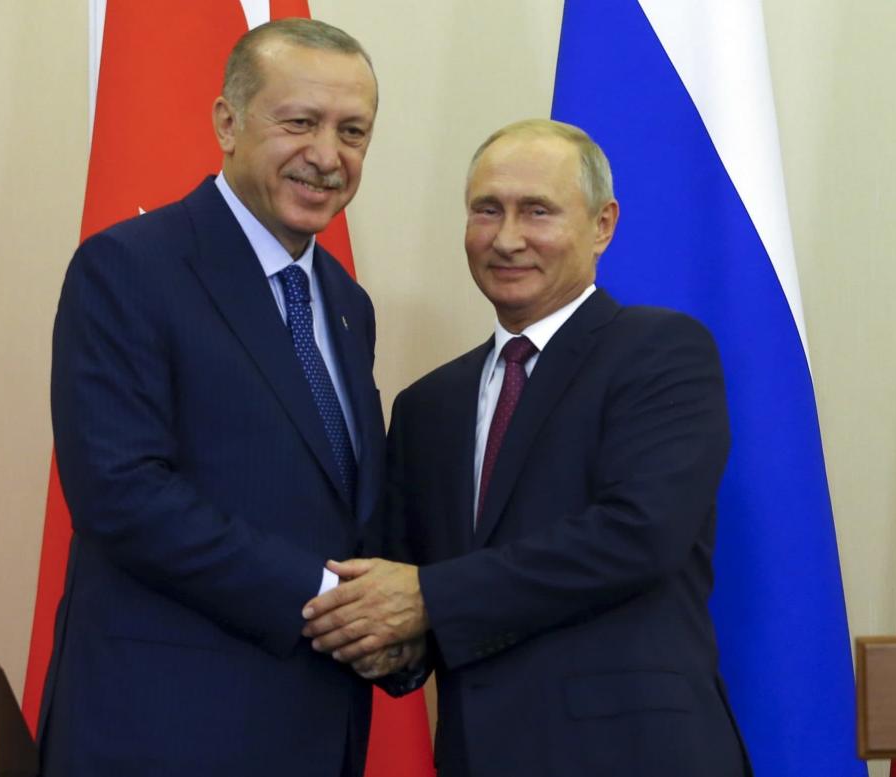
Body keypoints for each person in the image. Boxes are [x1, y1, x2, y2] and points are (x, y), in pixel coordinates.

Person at [302, 119, 752, 776]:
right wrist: (374, 636)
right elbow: (404, 588)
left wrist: (429, 597)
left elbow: (638, 535)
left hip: (637, 754)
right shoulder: (428, 406)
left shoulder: (661, 352)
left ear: (603, 225)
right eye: (487, 210)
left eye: (536, 211)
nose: (506, 238)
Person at [39, 19, 402, 776]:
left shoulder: (346, 304)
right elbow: (122, 494)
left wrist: (402, 617)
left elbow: (340, 505)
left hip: (314, 730)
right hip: (164, 731)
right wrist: (332, 597)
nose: (328, 156)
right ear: (227, 122)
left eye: (353, 130)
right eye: (299, 122)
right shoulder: (129, 268)